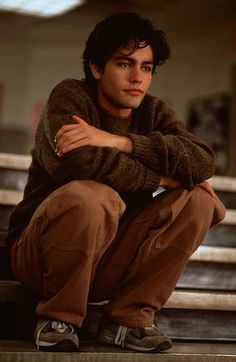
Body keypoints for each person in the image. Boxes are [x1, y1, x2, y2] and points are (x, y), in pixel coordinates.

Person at [6, 12, 225, 353]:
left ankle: (127, 319)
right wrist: (162, 177)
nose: (138, 77)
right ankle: (58, 317)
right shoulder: (70, 97)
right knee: (92, 193)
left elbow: (202, 160)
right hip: (41, 257)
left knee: (199, 200)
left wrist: (120, 142)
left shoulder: (154, 112)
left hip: (107, 258)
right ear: (96, 67)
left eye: (147, 67)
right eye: (125, 64)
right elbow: (78, 163)